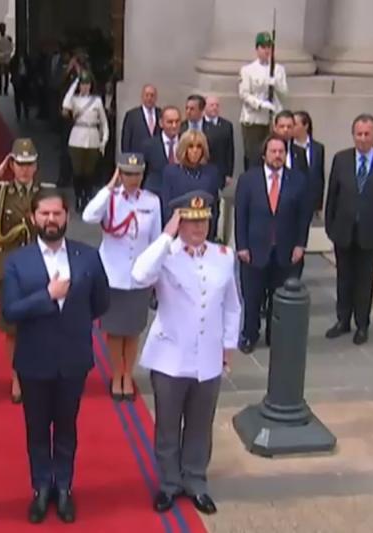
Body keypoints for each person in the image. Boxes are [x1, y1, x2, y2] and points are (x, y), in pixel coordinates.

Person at [1, 188, 110, 524]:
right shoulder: (17, 261)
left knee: (66, 428)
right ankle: (40, 488)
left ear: (67, 216)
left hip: (73, 359)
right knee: (36, 429)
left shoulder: (88, 256)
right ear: (34, 218)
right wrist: (46, 297)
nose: (51, 220)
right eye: (44, 214)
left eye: (57, 214)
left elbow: (101, 302)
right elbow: (10, 310)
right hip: (34, 361)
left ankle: (63, 487)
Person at [132, 191, 240, 516]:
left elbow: (233, 305)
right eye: (190, 221)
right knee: (167, 424)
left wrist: (228, 345)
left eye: (203, 220)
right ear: (179, 222)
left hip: (207, 356)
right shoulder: (166, 254)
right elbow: (139, 275)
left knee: (199, 423)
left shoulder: (223, 255)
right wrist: (166, 235)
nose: (198, 227)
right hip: (170, 356)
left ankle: (196, 480)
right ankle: (168, 483)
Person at [0, 138, 47, 403]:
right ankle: (17, 377)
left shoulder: (44, 192)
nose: (24, 170)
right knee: (13, 327)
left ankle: (35, 374)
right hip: (9, 266)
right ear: (12, 165)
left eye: (29, 164)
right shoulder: (3, 192)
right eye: (19, 164)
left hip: (40, 265)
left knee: (39, 325)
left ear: (36, 166)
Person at [82, 153, 160, 400]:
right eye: (127, 173)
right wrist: (109, 187)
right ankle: (117, 373)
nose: (132, 179)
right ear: (120, 174)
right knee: (115, 330)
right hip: (112, 274)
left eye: (137, 174)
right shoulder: (110, 199)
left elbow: (156, 239)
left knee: (134, 329)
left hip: (139, 275)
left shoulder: (152, 201)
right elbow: (88, 216)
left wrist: (156, 275)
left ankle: (129, 373)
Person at [324, 114, 373, 345]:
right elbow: (332, 196)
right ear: (353, 134)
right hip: (343, 231)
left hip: (371, 232)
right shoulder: (342, 159)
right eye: (359, 134)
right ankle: (343, 320)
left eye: (367, 134)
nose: (363, 138)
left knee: (365, 280)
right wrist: (330, 226)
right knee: (344, 277)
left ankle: (362, 324)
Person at [235, 134, 311, 353]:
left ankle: (275, 336)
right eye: (273, 151)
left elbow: (303, 216)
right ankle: (249, 334)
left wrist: (300, 245)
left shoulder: (297, 180)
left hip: (286, 251)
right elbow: (241, 214)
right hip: (255, 250)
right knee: (252, 297)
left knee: (279, 298)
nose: (277, 156)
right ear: (264, 154)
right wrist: (242, 246)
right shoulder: (249, 180)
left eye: (281, 152)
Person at [239, 31, 287, 171]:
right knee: (253, 155)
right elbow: (244, 94)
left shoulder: (278, 70)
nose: (267, 50)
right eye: (263, 47)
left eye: (269, 47)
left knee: (274, 154)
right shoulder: (248, 70)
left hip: (272, 118)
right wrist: (260, 104)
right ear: (257, 49)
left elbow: (284, 92)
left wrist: (276, 83)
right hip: (253, 119)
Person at [161, 129, 223, 238]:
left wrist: (210, 234)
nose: (195, 151)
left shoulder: (211, 172)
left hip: (204, 234)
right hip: (178, 234)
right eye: (190, 146)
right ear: (184, 149)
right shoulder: (171, 172)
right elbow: (167, 207)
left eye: (199, 147)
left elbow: (214, 208)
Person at [62, 71, 109, 213]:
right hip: (77, 137)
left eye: (87, 84)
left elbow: (103, 123)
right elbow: (65, 104)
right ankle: (79, 197)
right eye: (83, 84)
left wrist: (104, 140)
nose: (85, 87)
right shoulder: (74, 99)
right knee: (77, 171)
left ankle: (88, 196)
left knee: (89, 172)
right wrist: (75, 82)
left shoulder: (97, 101)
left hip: (93, 137)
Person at [142, 106, 181, 197]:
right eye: (170, 122)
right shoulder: (149, 145)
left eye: (177, 121)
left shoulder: (187, 143)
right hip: (154, 195)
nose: (174, 125)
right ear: (161, 123)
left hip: (180, 195)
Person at [293, 110, 326, 214]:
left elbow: (320, 176)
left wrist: (319, 204)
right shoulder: (287, 148)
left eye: (295, 124)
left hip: (311, 202)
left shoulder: (318, 148)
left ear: (305, 126)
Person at [202, 96, 235, 188]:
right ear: (204, 107)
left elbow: (230, 150)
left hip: (220, 171)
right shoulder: (199, 124)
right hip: (203, 170)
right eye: (212, 105)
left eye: (217, 105)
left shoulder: (227, 125)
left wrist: (229, 174)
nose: (215, 108)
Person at [121, 84, 161, 154]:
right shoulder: (132, 115)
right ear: (142, 96)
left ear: (156, 98)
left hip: (156, 157)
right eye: (147, 95)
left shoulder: (161, 114)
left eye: (152, 95)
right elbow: (126, 140)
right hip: (137, 157)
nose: (149, 98)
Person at [0, 22, 14, 96]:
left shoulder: (8, 38)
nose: (2, 29)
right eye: (1, 28)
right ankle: (0, 90)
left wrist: (6, 53)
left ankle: (5, 90)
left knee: (6, 75)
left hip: (6, 59)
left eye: (3, 28)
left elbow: (11, 48)